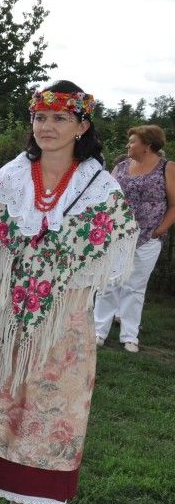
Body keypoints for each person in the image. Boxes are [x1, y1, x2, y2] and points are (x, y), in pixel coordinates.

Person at [0, 81, 138, 504]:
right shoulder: (10, 178)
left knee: (39, 409)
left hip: (62, 321)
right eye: (40, 117)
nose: (47, 127)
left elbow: (113, 250)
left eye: (60, 118)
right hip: (2, 313)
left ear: (82, 126)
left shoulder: (100, 188)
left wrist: (61, 287)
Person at [93, 125, 174, 352]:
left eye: (132, 141)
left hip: (148, 238)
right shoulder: (121, 167)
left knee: (135, 287)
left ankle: (130, 336)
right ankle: (98, 331)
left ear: (147, 145)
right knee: (109, 283)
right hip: (117, 235)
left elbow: (174, 204)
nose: (128, 145)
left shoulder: (167, 168)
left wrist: (158, 231)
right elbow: (105, 197)